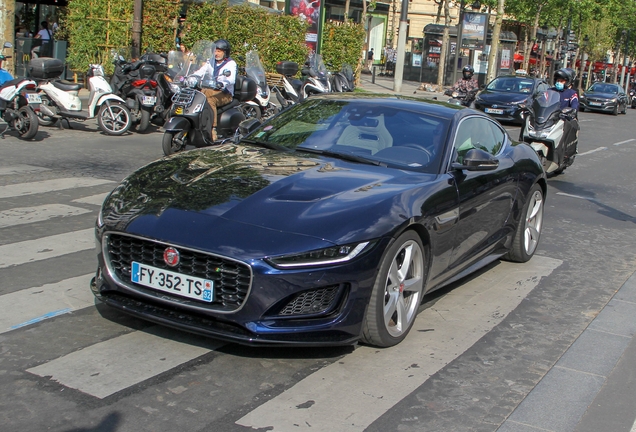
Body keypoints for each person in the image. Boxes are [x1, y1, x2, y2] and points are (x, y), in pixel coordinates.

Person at [190, 39, 237, 140]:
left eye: (219, 51)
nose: (216, 53)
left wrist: (223, 83)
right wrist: (192, 76)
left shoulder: (230, 63)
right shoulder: (210, 61)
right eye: (215, 51)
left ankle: (212, 128)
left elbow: (231, 79)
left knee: (209, 99)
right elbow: (201, 71)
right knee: (198, 95)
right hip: (210, 89)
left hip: (225, 93)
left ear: (225, 52)